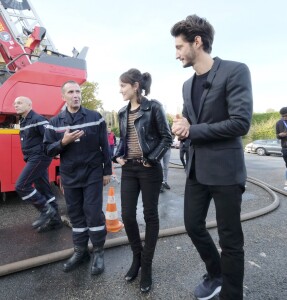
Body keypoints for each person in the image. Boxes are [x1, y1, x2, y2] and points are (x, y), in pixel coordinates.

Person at [171, 15, 253, 300]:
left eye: (180, 46)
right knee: (193, 226)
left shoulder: (235, 71)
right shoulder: (186, 85)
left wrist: (193, 129)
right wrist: (182, 128)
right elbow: (190, 123)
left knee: (230, 239)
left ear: (197, 41)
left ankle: (231, 294)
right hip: (196, 170)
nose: (177, 53)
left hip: (226, 171)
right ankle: (217, 274)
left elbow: (241, 123)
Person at [43, 80, 112, 275]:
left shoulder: (95, 117)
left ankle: (98, 251)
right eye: (71, 92)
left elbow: (104, 147)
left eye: (78, 91)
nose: (76, 95)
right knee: (75, 213)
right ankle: (81, 251)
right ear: (63, 97)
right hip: (70, 175)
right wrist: (62, 142)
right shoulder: (54, 123)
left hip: (92, 173)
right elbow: (47, 150)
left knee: (92, 212)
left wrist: (107, 171)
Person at [113, 68, 172, 293]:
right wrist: (117, 155)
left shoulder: (154, 107)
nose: (120, 91)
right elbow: (124, 140)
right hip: (129, 169)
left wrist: (151, 159)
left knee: (150, 216)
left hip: (149, 170)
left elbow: (167, 138)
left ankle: (146, 267)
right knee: (127, 215)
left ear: (135, 86)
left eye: (122, 86)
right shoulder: (121, 112)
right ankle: (136, 258)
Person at [13, 96, 62, 233]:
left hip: (39, 157)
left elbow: (50, 135)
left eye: (19, 103)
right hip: (32, 157)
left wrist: (56, 150)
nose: (16, 105)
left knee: (21, 186)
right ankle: (56, 222)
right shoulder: (24, 121)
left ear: (29, 105)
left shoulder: (37, 119)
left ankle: (46, 210)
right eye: (15, 103)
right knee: (44, 189)